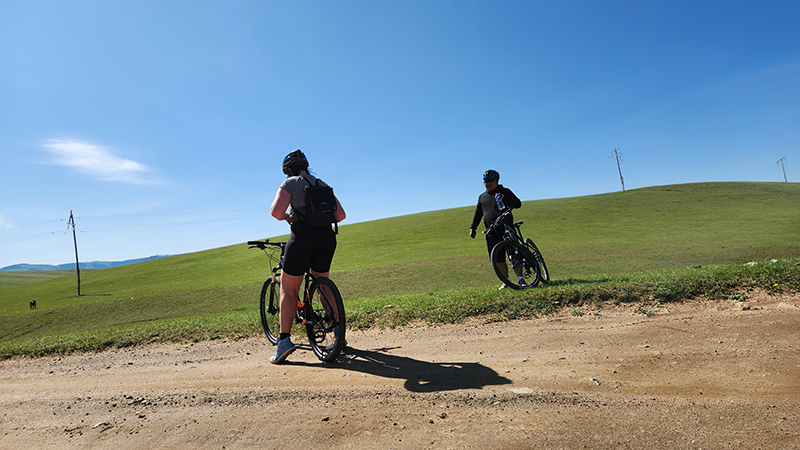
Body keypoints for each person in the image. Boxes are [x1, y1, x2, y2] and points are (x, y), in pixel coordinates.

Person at [268, 149, 346, 364]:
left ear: (288, 170)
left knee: (288, 288)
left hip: (302, 237)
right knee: (323, 283)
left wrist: (287, 217)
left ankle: (283, 342)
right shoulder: (321, 183)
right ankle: (338, 331)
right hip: (327, 238)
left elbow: (275, 211)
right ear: (306, 165)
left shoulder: (290, 183)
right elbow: (341, 215)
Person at [469, 169, 523, 289]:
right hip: (491, 231)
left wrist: (509, 203)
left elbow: (518, 203)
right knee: (498, 257)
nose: (488, 183)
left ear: (497, 181)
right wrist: (473, 228)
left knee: (513, 254)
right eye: (486, 181)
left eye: (491, 181)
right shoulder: (482, 197)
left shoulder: (505, 191)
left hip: (506, 227)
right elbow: (478, 213)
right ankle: (506, 281)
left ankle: (521, 279)